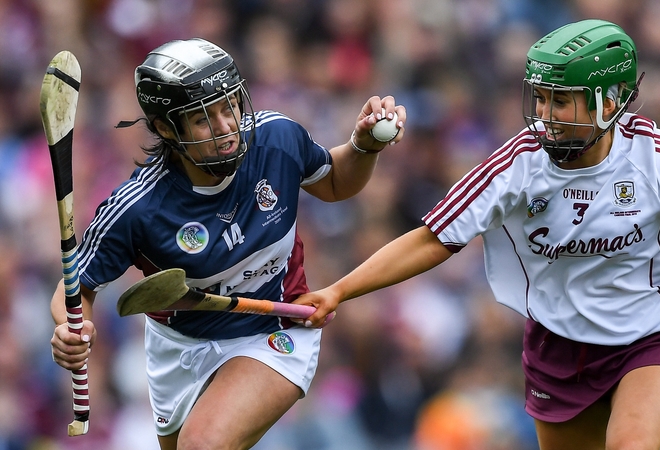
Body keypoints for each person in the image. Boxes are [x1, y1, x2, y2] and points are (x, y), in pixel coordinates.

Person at [295, 19, 660, 450]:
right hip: (557, 348)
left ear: (609, 100)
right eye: (540, 97)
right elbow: (431, 239)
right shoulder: (518, 163)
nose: (544, 113)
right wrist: (340, 290)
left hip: (658, 335)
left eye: (561, 100)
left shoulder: (659, 158)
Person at [49, 37, 406, 449]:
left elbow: (335, 181)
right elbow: (76, 290)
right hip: (177, 347)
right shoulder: (137, 210)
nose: (226, 128)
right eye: (203, 119)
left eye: (229, 106)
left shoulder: (277, 139)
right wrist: (72, 331)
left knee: (202, 445)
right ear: (166, 128)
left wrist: (364, 146)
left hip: (274, 324)